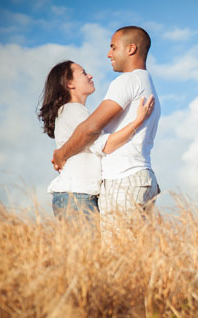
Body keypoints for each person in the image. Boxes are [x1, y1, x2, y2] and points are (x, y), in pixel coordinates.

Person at [51, 26, 161, 235]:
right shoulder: (146, 82)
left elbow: (91, 129)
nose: (109, 54)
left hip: (124, 181)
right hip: (140, 178)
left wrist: (61, 155)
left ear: (130, 49)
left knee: (116, 258)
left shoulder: (127, 80)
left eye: (113, 47)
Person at [38, 60, 154, 219]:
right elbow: (105, 145)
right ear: (69, 83)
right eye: (83, 73)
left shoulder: (71, 111)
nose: (90, 75)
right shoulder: (73, 109)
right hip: (77, 197)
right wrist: (138, 121)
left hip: (78, 196)